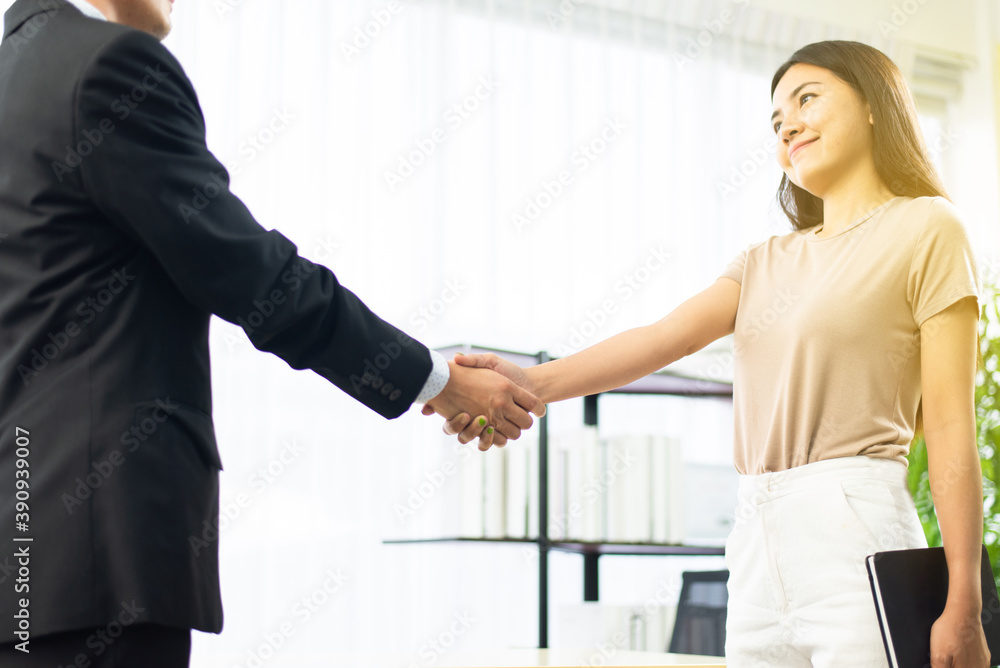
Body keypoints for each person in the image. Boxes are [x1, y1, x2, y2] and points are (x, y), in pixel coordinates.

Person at [0, 0, 542, 665]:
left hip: (23, 539)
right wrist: (435, 380)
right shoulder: (109, 65)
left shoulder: (15, 73)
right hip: (99, 542)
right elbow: (245, 271)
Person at [442, 40, 989, 667]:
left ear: (875, 104)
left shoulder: (927, 227)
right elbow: (659, 338)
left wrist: (963, 602)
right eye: (778, 122)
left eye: (807, 100)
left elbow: (950, 428)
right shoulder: (765, 261)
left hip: (855, 528)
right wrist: (528, 382)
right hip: (755, 543)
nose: (789, 127)